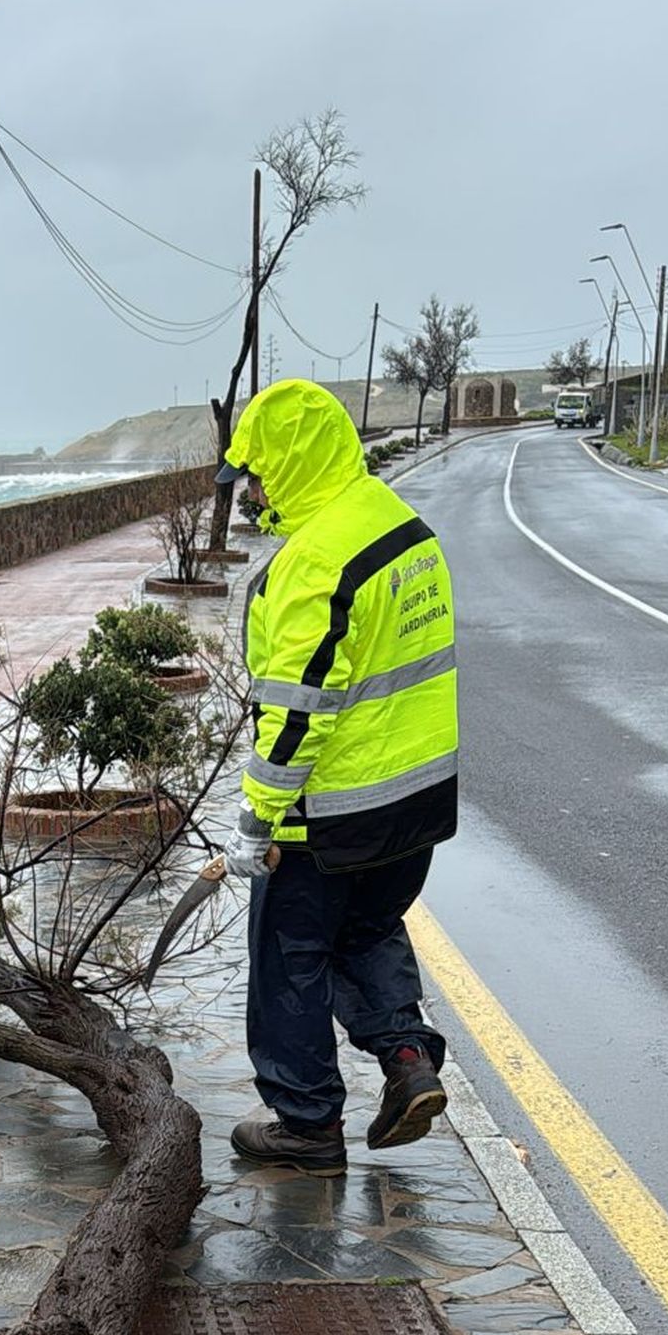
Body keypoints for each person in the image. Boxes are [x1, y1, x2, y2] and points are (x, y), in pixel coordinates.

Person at [220, 378, 458, 1175]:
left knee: (290, 957)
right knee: (369, 930)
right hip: (417, 798)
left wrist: (259, 819)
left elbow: (297, 709)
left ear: (290, 460)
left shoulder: (317, 560)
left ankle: (306, 1122)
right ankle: (407, 1064)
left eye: (256, 473)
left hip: (332, 807)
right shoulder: (401, 526)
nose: (251, 492)